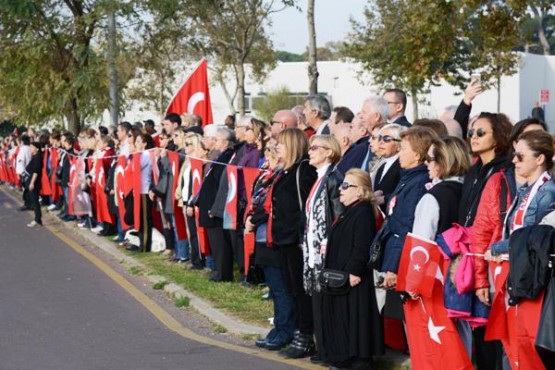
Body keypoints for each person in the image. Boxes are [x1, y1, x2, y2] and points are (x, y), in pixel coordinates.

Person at [456, 112, 513, 369]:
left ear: (498, 137)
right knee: (473, 324)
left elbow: (496, 222)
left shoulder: (504, 171)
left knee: (489, 325)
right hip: (467, 252)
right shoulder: (474, 169)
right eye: (471, 132)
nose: (473, 137)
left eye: (481, 132)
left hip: (489, 255)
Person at [321, 168, 385, 369]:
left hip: (352, 277)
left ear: (359, 191)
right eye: (342, 185)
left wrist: (354, 271)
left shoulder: (363, 211)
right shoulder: (352, 209)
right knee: (345, 317)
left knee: (355, 318)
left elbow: (362, 245)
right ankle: (344, 355)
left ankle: (358, 358)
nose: (341, 189)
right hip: (342, 274)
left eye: (346, 186)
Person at [270, 128, 317, 358]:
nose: (276, 147)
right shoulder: (286, 171)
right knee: (291, 289)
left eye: (281, 144)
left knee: (301, 290)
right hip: (283, 240)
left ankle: (306, 334)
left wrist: (302, 237)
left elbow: (308, 207)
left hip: (296, 241)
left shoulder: (303, 170)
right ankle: (301, 329)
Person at [303, 135, 344, 364]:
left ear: (329, 152)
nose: (310, 151)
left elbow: (336, 217)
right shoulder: (320, 178)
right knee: (317, 303)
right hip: (313, 251)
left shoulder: (333, 179)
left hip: (325, 252)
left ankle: (330, 350)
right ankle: (323, 348)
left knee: (326, 305)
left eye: (315, 148)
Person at [373, 124, 405, 213]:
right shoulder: (381, 167)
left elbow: (403, 195)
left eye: (386, 139)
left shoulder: (402, 166)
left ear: (399, 145)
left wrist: (384, 199)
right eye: (379, 138)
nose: (381, 142)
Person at [26, 141, 43, 228]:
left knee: (35, 201)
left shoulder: (38, 158)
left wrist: (32, 182)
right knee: (34, 200)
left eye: (32, 147)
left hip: (35, 182)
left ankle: (37, 219)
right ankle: (38, 219)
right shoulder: (34, 156)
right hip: (31, 180)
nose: (30, 148)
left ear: (37, 149)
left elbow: (36, 171)